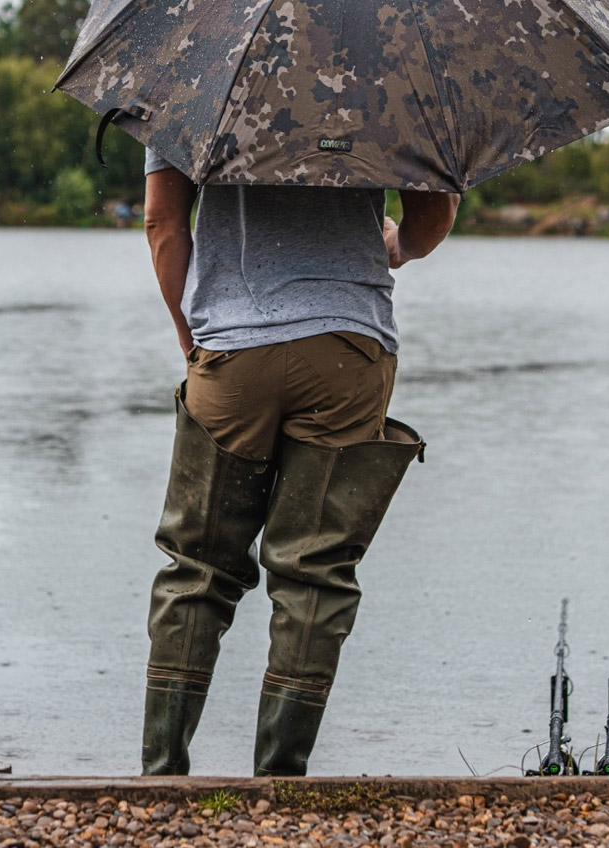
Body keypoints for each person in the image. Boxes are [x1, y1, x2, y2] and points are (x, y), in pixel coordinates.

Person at [141, 151, 459, 776]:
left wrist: (192, 336)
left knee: (198, 567)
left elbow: (163, 222)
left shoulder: (195, 62)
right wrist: (401, 245)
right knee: (312, 573)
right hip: (347, 348)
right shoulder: (392, 68)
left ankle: (160, 780)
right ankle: (282, 787)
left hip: (232, 351)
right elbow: (434, 208)